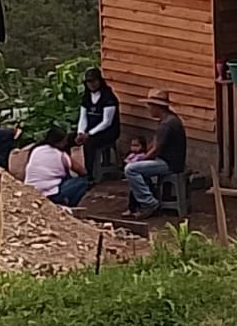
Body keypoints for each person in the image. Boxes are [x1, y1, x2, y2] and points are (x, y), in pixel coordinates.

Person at [123, 89, 186, 220]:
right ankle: (142, 201)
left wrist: (140, 160)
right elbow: (155, 142)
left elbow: (156, 149)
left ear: (157, 107)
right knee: (139, 170)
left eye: (150, 106)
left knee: (131, 170)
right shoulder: (168, 120)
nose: (149, 110)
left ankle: (149, 202)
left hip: (169, 163)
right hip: (167, 160)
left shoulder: (167, 124)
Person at [25, 126, 90, 208]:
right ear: (59, 142)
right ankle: (70, 205)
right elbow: (82, 171)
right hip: (49, 193)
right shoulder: (60, 155)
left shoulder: (37, 149)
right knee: (83, 181)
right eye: (64, 141)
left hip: (30, 191)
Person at [74, 67, 121, 178]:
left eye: (94, 81)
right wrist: (80, 132)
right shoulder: (86, 97)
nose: (92, 84)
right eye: (89, 82)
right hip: (89, 130)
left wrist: (89, 134)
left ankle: (89, 173)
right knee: (68, 139)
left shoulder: (108, 97)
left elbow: (107, 122)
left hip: (108, 132)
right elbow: (83, 117)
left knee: (89, 143)